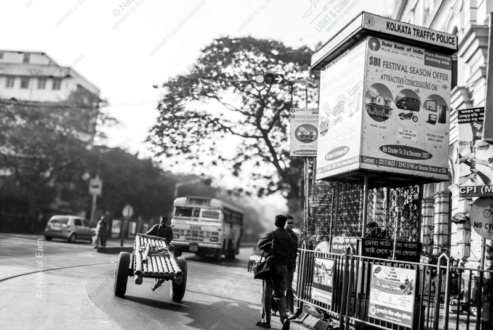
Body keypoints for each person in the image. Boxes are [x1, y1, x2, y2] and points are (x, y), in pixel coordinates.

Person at [256, 214, 295, 330]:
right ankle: (284, 318)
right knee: (280, 295)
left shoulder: (272, 235)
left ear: (275, 223)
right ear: (284, 223)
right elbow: (291, 250)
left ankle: (266, 321)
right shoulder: (289, 237)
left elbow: (259, 245)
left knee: (267, 294)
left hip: (271, 266)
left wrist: (269, 247)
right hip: (283, 268)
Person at [146, 216, 174, 291]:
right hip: (154, 246)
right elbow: (148, 233)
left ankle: (160, 279)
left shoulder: (169, 229)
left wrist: (164, 242)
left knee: (164, 261)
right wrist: (148, 238)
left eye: (164, 222)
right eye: (162, 221)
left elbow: (170, 238)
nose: (163, 222)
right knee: (151, 257)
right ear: (160, 221)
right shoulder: (155, 227)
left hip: (164, 247)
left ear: (166, 222)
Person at [284, 215, 298, 318]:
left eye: (292, 223)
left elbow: (294, 250)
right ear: (284, 223)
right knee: (278, 287)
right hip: (281, 265)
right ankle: (275, 309)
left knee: (288, 288)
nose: (291, 225)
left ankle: (290, 311)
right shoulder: (279, 233)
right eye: (289, 223)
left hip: (290, 265)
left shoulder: (294, 236)